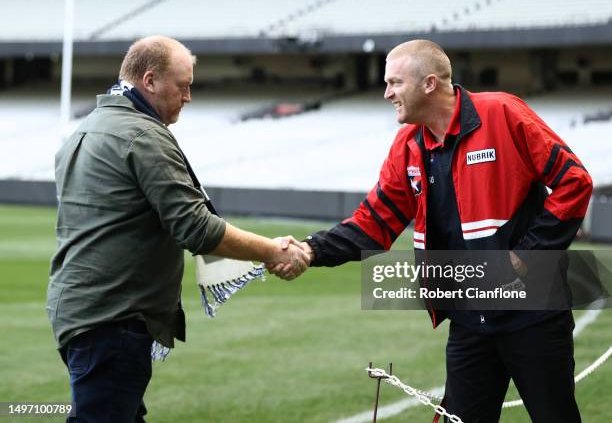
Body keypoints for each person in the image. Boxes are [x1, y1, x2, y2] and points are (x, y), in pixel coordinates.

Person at [269, 40, 592, 422]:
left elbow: (574, 181)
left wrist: (525, 257)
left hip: (534, 314)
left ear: (429, 83)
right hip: (470, 321)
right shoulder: (407, 145)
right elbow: (373, 223)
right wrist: (311, 249)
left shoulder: (502, 112)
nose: (387, 93)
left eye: (394, 82)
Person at [47, 35, 308, 422]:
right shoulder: (143, 134)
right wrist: (272, 250)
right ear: (150, 80)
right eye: (182, 86)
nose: (188, 97)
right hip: (114, 315)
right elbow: (196, 228)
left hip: (82, 310)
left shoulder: (87, 130)